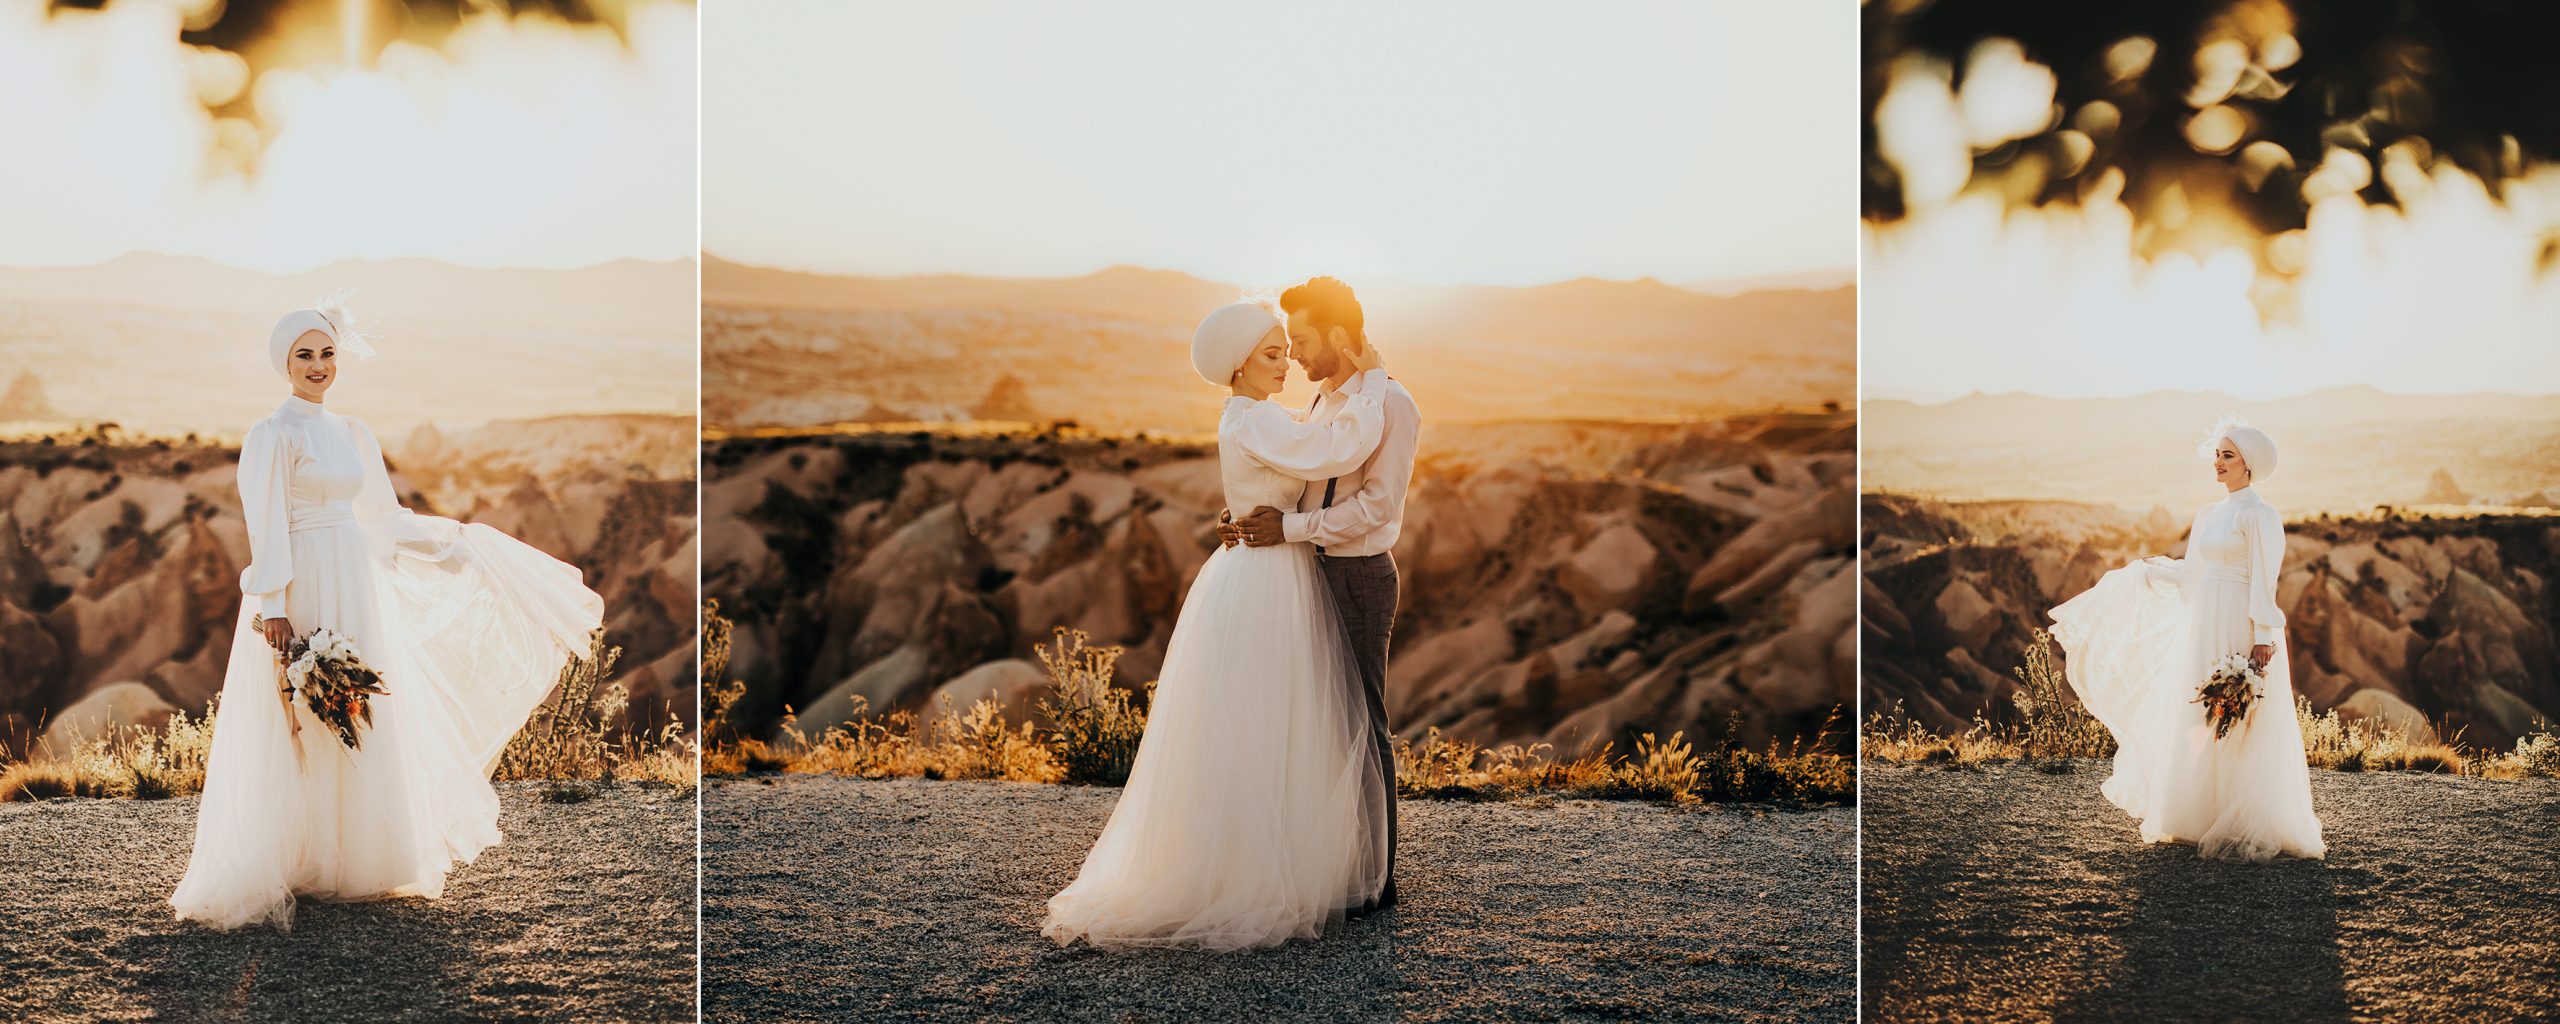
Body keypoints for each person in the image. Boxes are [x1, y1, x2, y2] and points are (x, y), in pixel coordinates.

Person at [171, 297, 607, 930]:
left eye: (326, 354)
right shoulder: (273, 434)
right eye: (304, 355)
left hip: (356, 580)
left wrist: (448, 543)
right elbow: (265, 527)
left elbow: (380, 514)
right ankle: (294, 857)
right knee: (300, 720)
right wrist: (272, 605)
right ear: (283, 363)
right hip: (302, 585)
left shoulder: (352, 433)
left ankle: (357, 862)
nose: (318, 366)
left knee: (360, 711)